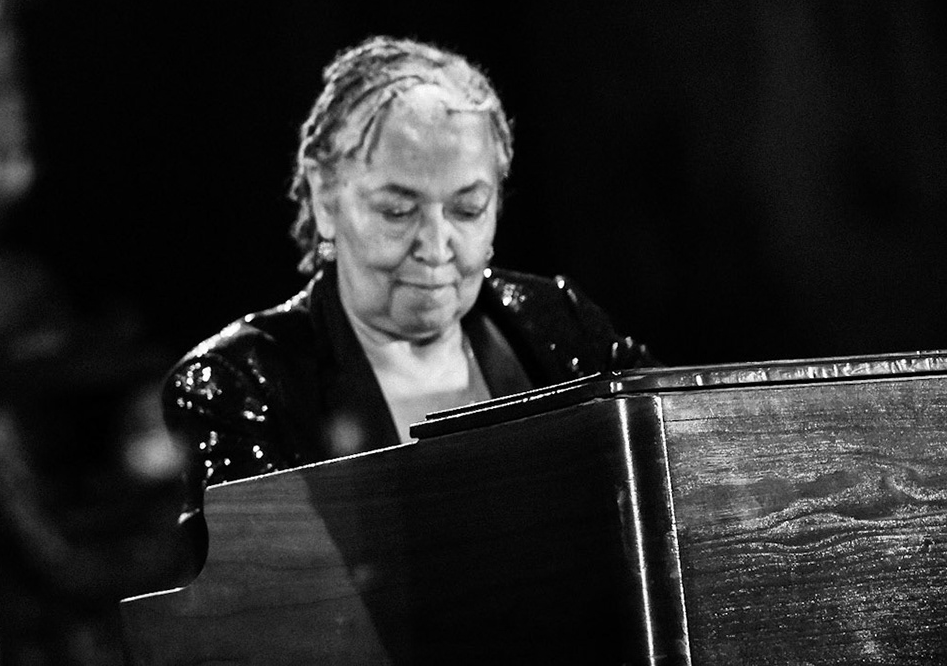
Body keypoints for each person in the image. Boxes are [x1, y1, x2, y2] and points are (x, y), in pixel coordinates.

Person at [162, 37, 653, 516]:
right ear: (324, 197)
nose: (436, 246)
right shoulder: (243, 386)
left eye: (467, 209)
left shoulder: (562, 326)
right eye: (397, 211)